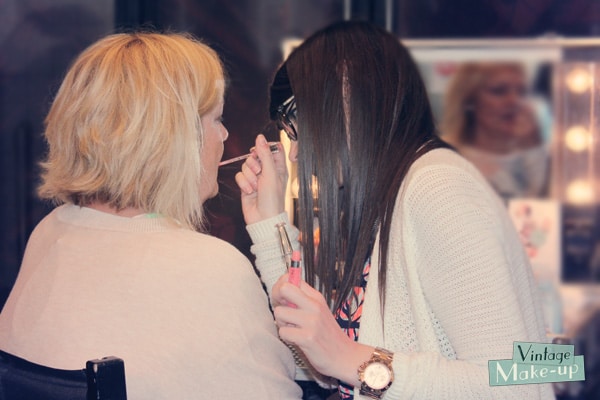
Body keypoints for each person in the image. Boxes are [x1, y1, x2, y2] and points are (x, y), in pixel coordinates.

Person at [236, 21, 555, 399]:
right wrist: (270, 228)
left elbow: (517, 384)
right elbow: (324, 367)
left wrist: (351, 358)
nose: (295, 152)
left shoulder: (437, 189)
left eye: (299, 123)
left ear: (347, 94)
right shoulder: (381, 202)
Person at [0, 32, 302, 399]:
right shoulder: (206, 266)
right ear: (173, 138)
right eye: (216, 119)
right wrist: (273, 230)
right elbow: (302, 372)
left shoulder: (52, 230)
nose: (224, 135)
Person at [441, 62, 550, 201]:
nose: (514, 101)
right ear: (469, 100)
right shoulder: (446, 156)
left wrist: (533, 149)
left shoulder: (537, 158)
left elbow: (542, 215)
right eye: (499, 91)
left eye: (521, 92)